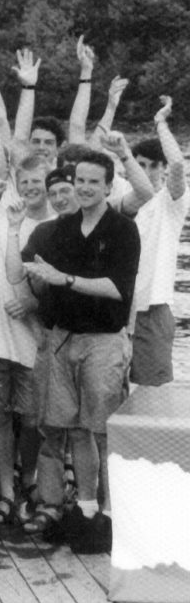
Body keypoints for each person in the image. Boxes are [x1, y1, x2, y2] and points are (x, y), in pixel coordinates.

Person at [18, 150, 140, 554]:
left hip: (103, 341)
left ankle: (113, 512)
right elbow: (30, 275)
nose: (86, 187)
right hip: (63, 338)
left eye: (93, 181)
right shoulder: (60, 229)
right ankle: (85, 510)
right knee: (75, 430)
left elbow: (117, 288)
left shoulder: (123, 229)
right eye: (81, 180)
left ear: (108, 186)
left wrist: (64, 279)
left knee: (103, 430)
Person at [0, 156, 53, 525]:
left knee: (33, 418)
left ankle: (30, 481)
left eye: (40, 181)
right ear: (15, 181)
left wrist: (32, 305)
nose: (33, 188)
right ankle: (3, 492)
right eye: (27, 181)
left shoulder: (57, 224)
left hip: (34, 338)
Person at [126, 96, 187, 387]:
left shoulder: (170, 202)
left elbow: (177, 163)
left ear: (161, 169)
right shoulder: (120, 201)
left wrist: (160, 122)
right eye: (140, 165)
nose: (147, 172)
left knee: (153, 397)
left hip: (152, 309)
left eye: (152, 166)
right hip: (116, 310)